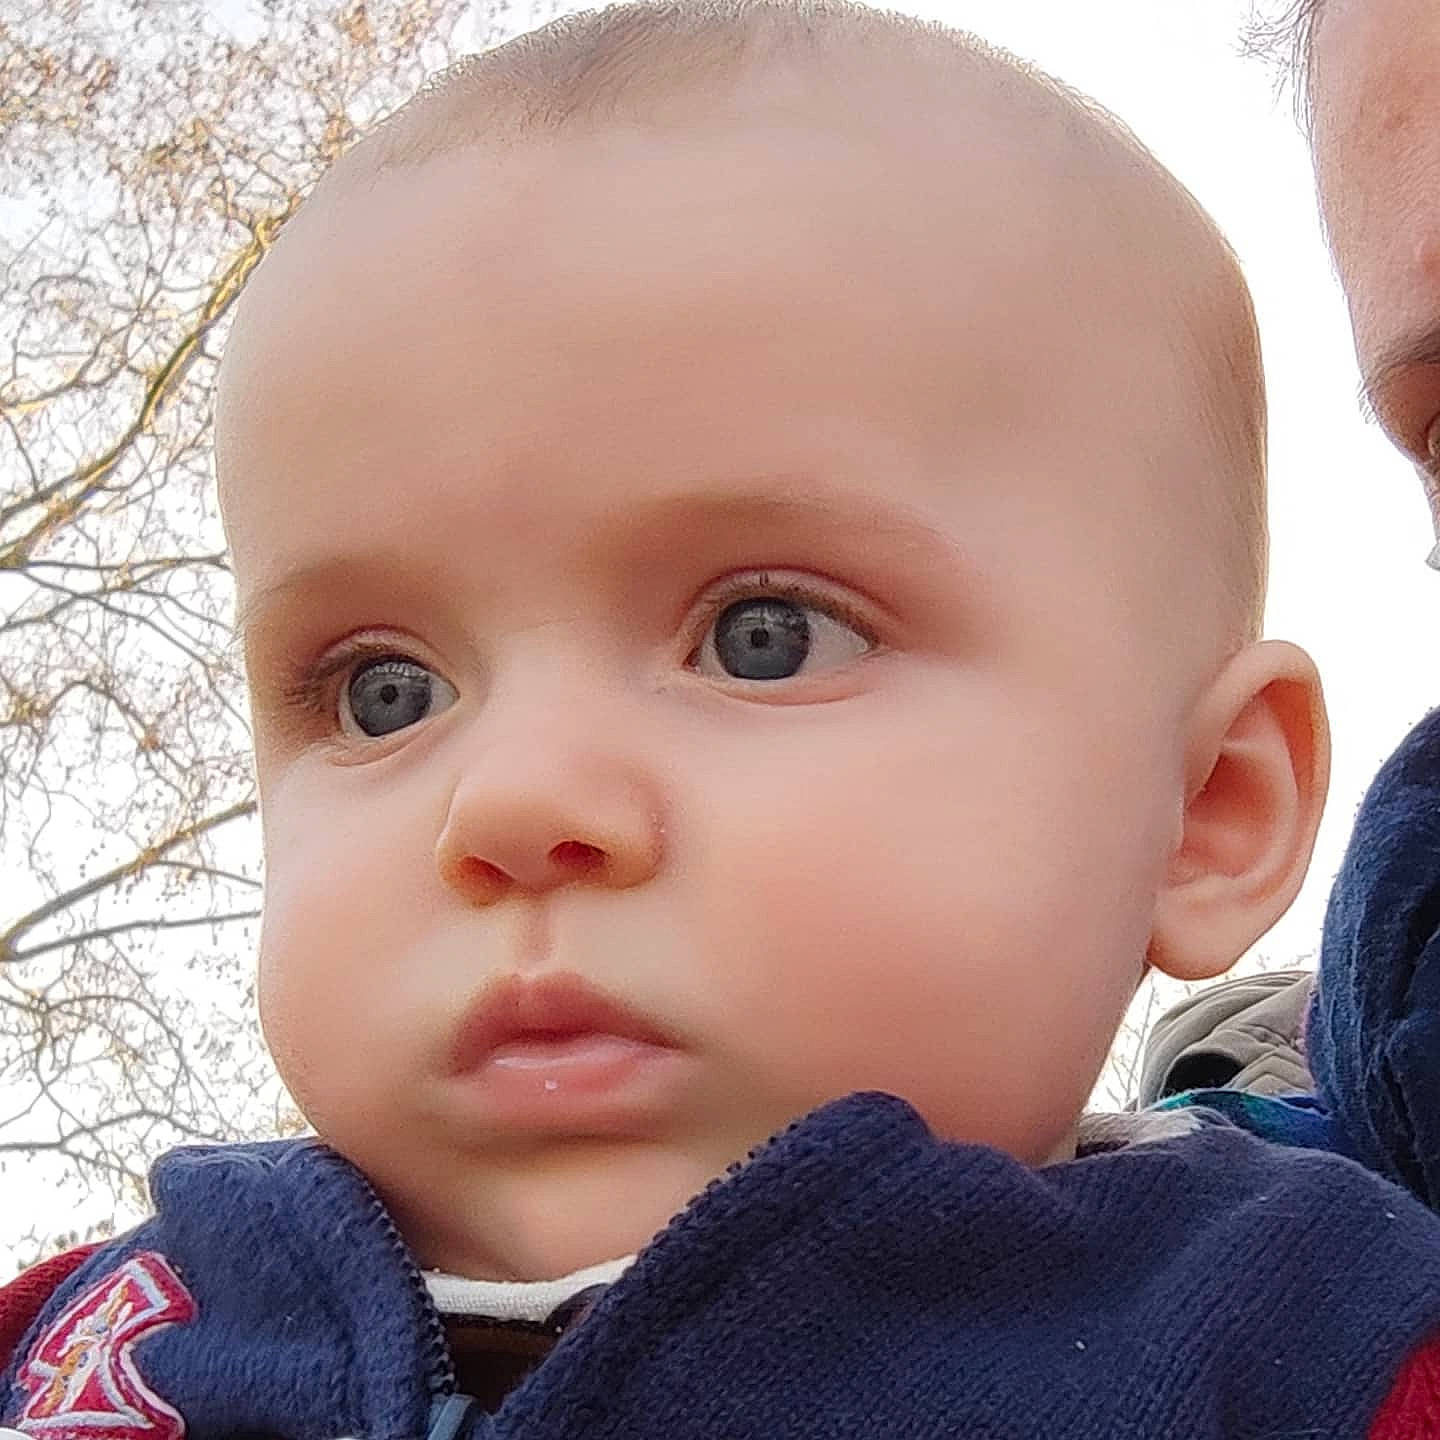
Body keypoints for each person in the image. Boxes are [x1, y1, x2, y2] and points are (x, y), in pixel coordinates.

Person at [6, 3, 1440, 1436]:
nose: (509, 801)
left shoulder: (1318, 1351)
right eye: (385, 692)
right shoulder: (98, 1341)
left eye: (766, 638)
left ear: (1205, 810)